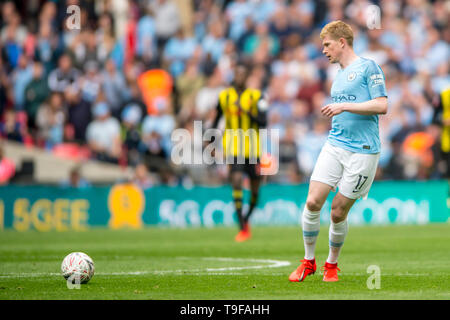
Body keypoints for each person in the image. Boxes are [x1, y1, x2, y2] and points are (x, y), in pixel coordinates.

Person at [289, 21, 388, 282]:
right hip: (335, 145)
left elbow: (381, 105)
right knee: (312, 202)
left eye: (327, 45)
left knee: (337, 211)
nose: (323, 50)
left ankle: (331, 265)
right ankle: (308, 261)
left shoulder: (369, 67)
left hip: (364, 151)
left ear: (342, 42)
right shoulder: (339, 74)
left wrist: (344, 107)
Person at [210, 63, 268, 242]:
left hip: (253, 149)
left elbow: (263, 122)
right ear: (234, 76)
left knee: (255, 189)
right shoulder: (224, 96)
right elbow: (217, 119)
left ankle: (246, 218)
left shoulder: (257, 96)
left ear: (248, 76)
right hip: (233, 148)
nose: (240, 77)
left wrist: (246, 112)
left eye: (243, 74)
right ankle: (242, 226)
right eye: (237, 74)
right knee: (235, 180)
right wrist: (211, 141)